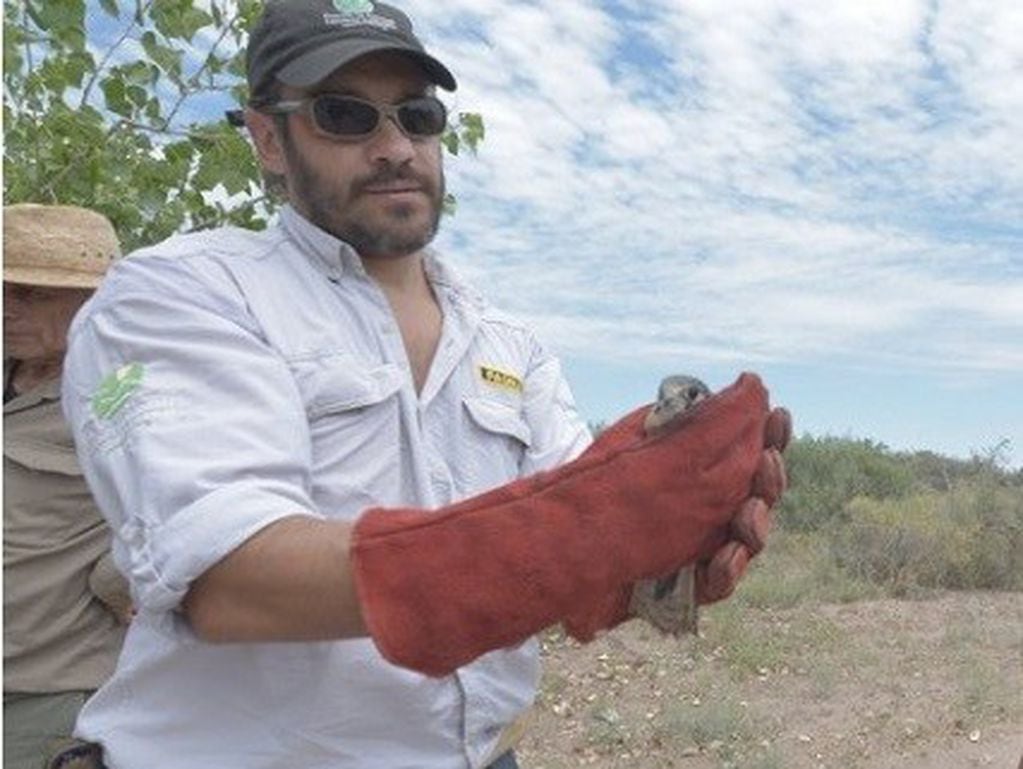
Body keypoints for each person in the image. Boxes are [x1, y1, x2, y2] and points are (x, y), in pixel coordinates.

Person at [58, 2, 791, 767]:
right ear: (268, 137)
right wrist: (577, 534)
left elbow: (567, 526)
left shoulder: (509, 342)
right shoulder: (180, 294)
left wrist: (650, 553)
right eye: (345, 115)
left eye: (418, 115)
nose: (395, 146)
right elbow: (231, 579)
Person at [3, 204, 132, 769]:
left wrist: (114, 580)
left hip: (46, 692)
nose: (8, 308)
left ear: (91, 298)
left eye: (30, 293)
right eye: (3, 287)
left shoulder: (121, 392)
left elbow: (164, 520)